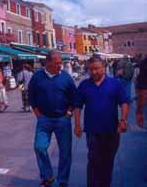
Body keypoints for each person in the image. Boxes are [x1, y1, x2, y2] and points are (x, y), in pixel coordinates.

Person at [74, 56, 129, 187]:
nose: (93, 72)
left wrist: (123, 120)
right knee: (93, 160)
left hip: (111, 130)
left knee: (108, 160)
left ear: (104, 68)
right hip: (92, 130)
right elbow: (78, 106)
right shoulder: (84, 85)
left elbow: (124, 103)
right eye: (91, 69)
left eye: (97, 69)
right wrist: (77, 125)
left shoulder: (115, 83)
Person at [28, 51, 77, 187]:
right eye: (57, 63)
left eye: (60, 63)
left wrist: (69, 112)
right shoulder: (37, 77)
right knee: (39, 147)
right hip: (44, 120)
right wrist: (37, 113)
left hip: (63, 119)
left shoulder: (66, 77)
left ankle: (63, 180)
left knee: (65, 151)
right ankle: (47, 176)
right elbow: (31, 95)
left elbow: (74, 96)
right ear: (48, 62)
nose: (60, 65)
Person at [136, 57, 147, 128]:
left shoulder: (142, 62)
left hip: (141, 86)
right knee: (141, 107)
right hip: (143, 87)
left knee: (140, 107)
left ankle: (140, 122)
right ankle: (140, 122)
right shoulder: (144, 62)